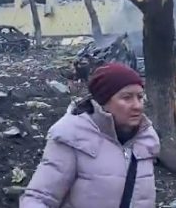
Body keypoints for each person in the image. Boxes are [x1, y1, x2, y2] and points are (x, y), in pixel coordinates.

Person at [20, 63, 160, 208]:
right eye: (127, 98)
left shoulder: (146, 139)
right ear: (103, 101)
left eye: (140, 97)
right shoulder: (72, 136)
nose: (137, 105)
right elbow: (38, 199)